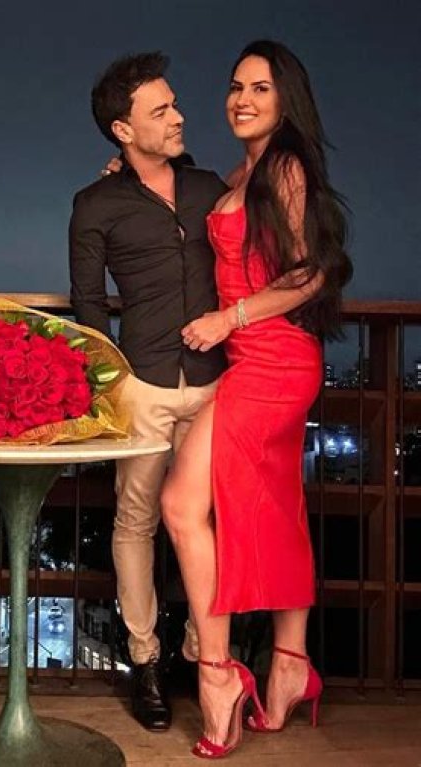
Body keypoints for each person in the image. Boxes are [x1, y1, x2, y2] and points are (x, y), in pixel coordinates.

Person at [160, 40, 353, 758]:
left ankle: (218, 675)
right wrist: (132, 166)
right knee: (274, 508)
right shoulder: (244, 170)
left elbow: (314, 273)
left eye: (260, 88)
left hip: (273, 359)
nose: (241, 99)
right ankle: (290, 664)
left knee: (181, 504)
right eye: (236, 86)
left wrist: (229, 318)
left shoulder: (288, 169)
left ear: (286, 99)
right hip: (255, 359)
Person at [68, 52, 227, 731]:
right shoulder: (95, 204)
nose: (178, 116)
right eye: (160, 110)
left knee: (209, 519)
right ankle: (146, 659)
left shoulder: (210, 188)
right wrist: (112, 386)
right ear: (123, 130)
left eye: (174, 103)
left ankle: (200, 647)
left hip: (216, 382)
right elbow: (86, 304)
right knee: (135, 522)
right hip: (142, 383)